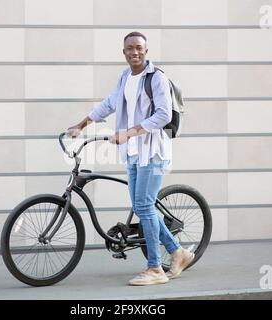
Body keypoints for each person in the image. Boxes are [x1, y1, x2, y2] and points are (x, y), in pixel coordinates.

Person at [67, 31, 193, 286]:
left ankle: (155, 268)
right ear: (123, 52)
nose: (134, 52)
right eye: (129, 49)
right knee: (141, 206)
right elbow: (109, 103)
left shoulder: (156, 78)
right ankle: (178, 252)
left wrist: (129, 132)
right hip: (134, 153)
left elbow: (163, 115)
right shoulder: (125, 77)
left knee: (144, 206)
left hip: (153, 152)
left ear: (146, 51)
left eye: (139, 48)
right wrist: (81, 125)